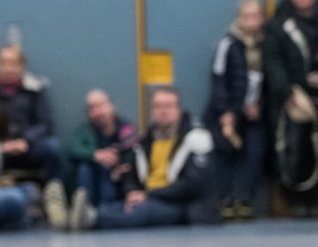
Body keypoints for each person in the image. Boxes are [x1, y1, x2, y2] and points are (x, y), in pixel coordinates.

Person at [75, 87, 218, 230]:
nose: (163, 111)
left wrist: (149, 195)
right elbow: (131, 175)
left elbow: (193, 185)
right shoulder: (145, 142)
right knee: (123, 206)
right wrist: (131, 192)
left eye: (168, 106)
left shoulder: (197, 138)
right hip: (150, 198)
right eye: (158, 106)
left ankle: (90, 218)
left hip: (183, 204)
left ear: (178, 109)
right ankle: (84, 214)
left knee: (142, 213)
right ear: (152, 111)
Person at [0, 45, 67, 226]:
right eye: (3, 63)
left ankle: (55, 204)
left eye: (13, 63)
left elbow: (45, 124)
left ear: (22, 66)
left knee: (52, 148)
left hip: (26, 149)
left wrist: (25, 141)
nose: (8, 68)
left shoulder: (34, 91)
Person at [264, 0, 318, 216]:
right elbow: (272, 60)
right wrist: (286, 92)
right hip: (297, 98)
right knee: (297, 149)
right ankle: (297, 201)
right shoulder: (279, 24)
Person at [206, 0, 267, 220]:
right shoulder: (228, 45)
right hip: (229, 113)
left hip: (253, 114)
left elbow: (267, 81)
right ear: (239, 19)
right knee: (225, 156)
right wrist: (225, 112)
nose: (251, 21)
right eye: (246, 16)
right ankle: (225, 200)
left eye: (255, 16)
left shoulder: (265, 45)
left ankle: (245, 199)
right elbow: (218, 78)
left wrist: (260, 105)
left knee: (255, 153)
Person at [65, 89, 138, 228]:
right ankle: (84, 211)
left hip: (117, 179)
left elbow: (134, 151)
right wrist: (95, 155)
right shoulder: (85, 130)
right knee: (84, 169)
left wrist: (122, 166)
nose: (98, 112)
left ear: (111, 106)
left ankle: (103, 214)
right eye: (93, 108)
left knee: (110, 171)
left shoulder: (126, 128)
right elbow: (72, 150)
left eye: (101, 106)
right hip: (92, 177)